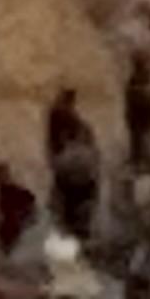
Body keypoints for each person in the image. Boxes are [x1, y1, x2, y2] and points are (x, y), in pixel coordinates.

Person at [47, 89, 102, 242]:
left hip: (71, 172)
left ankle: (73, 228)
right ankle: (77, 229)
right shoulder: (64, 115)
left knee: (69, 203)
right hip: (76, 176)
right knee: (74, 203)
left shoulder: (60, 114)